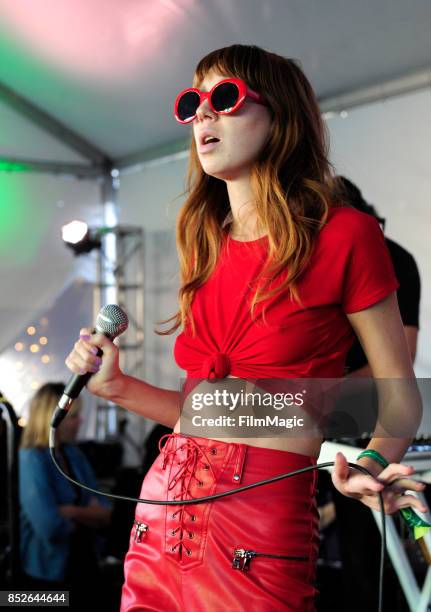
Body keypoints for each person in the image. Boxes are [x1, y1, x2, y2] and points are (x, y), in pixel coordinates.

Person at [65, 44, 425, 611]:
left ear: (280, 115)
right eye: (192, 103)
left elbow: (398, 394)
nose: (202, 115)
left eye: (224, 98)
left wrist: (374, 461)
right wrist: (119, 388)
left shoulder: (346, 234)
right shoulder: (204, 240)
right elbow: (203, 413)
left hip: (258, 527)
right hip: (160, 512)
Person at [329, 176, 422, 611]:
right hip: (326, 424)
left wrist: (323, 393)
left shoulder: (393, 258)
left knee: (371, 556)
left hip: (368, 419)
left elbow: (401, 354)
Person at [18, 382, 112, 609]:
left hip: (85, 561)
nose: (80, 421)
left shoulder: (73, 453)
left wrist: (69, 511)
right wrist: (88, 515)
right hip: (47, 573)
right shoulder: (32, 458)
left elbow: (106, 512)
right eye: (74, 417)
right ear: (52, 420)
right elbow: (49, 526)